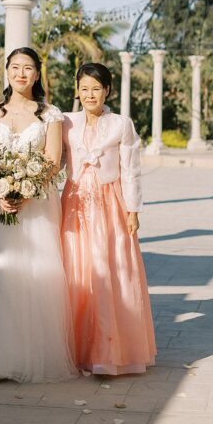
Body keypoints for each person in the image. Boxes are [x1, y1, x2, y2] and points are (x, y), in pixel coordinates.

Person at [0, 47, 77, 383]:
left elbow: (52, 161)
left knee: (36, 276)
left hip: (38, 207)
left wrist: (25, 194)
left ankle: (36, 357)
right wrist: (0, 193)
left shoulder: (50, 115)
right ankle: (0, 360)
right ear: (7, 71)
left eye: (28, 68)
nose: (21, 74)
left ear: (37, 74)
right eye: (15, 67)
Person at [61, 62, 156, 376]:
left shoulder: (121, 124)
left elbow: (131, 170)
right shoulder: (66, 123)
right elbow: (54, 160)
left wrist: (133, 210)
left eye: (96, 89)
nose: (90, 94)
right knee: (77, 269)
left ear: (108, 91)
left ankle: (109, 351)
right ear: (77, 90)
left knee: (108, 270)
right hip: (74, 205)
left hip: (109, 203)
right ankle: (76, 349)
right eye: (84, 88)